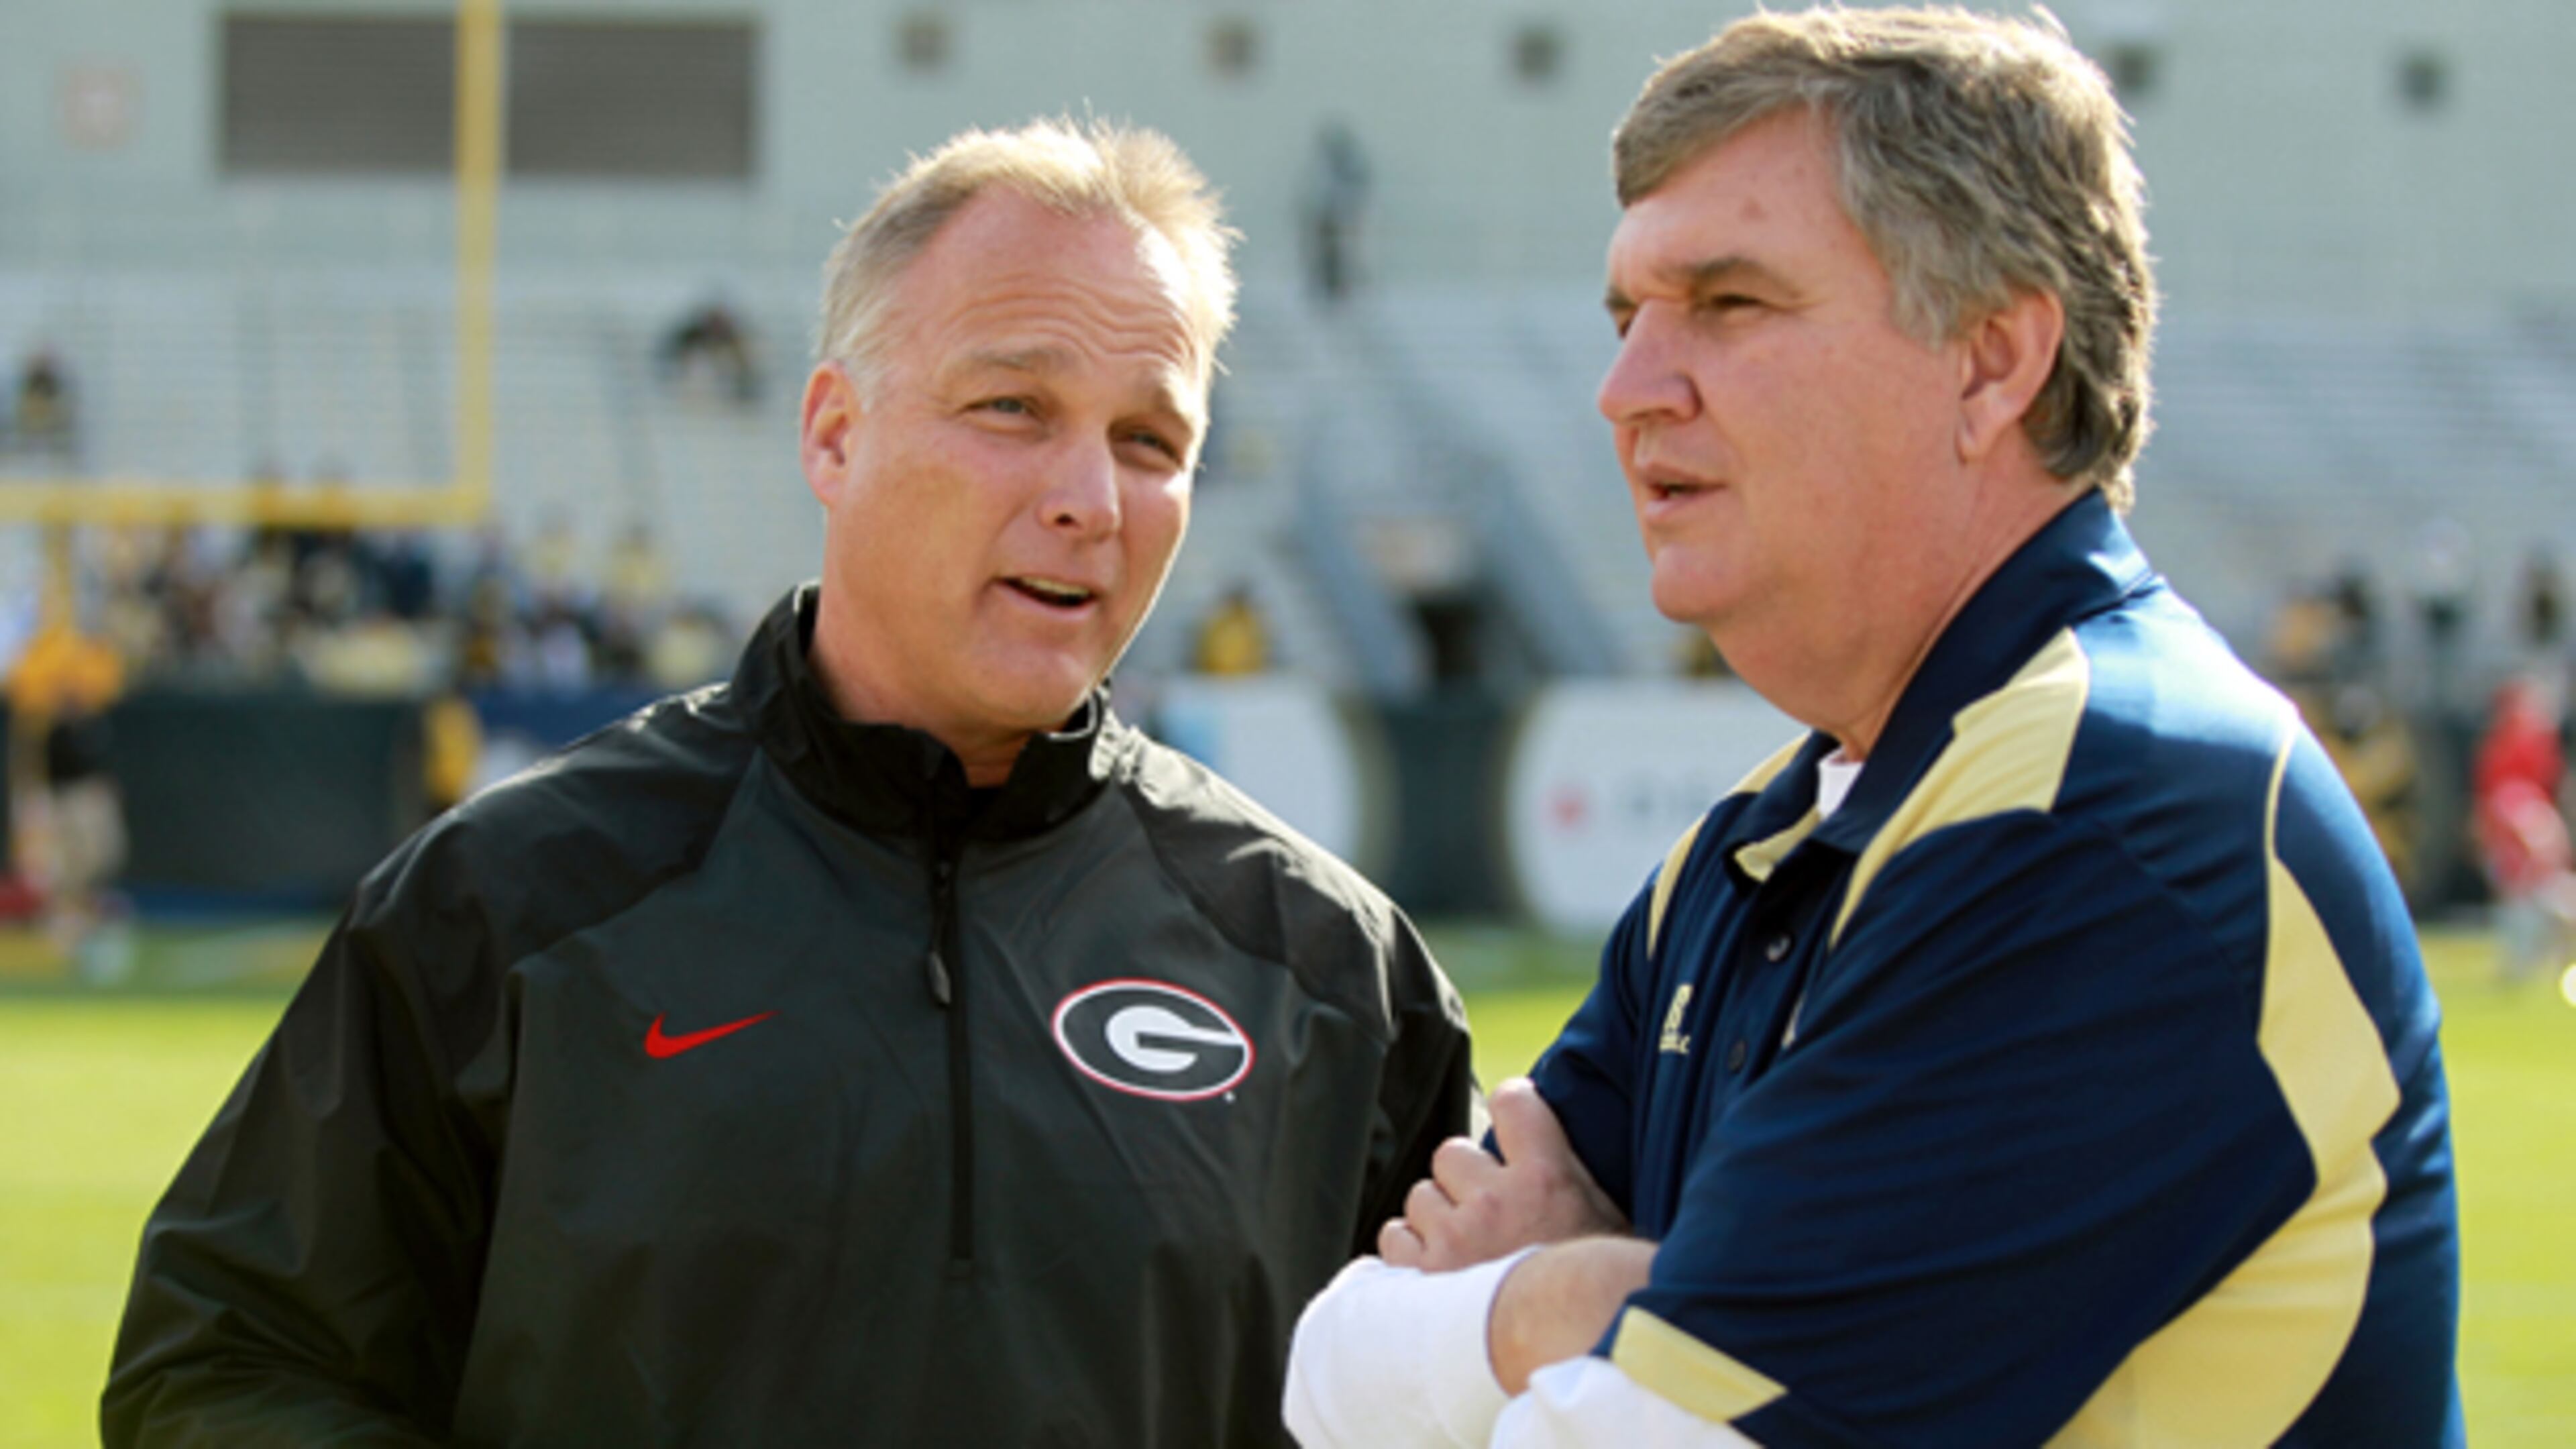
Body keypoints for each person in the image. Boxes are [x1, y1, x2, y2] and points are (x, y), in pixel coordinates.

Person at [105, 118, 1477, 1446]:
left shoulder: (1329, 973)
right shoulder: (518, 904)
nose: (1090, 501)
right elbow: (226, 1367)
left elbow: (1477, 1410)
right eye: (1015, 407)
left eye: (1149, 443)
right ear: (832, 433)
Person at [1285, 9, 2460, 1447]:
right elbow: (1328, 1381)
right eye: (1625, 317)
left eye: (1727, 304)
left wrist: (1539, 1299)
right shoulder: (1767, 842)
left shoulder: (2113, 816)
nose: (1628, 389)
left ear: (1990, 361)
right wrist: (1621, 1311)